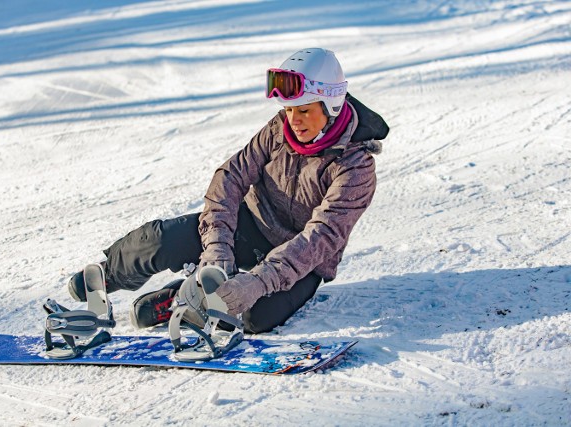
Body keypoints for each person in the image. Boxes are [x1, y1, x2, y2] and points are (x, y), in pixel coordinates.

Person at [67, 48, 389, 334]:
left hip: (302, 259)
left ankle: (183, 297)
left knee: (253, 316)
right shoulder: (279, 130)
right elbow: (231, 177)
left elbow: (320, 238)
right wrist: (217, 248)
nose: (294, 120)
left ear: (331, 105)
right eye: (289, 110)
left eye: (304, 110)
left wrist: (258, 282)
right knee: (163, 239)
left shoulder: (355, 167)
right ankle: (110, 275)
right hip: (253, 225)